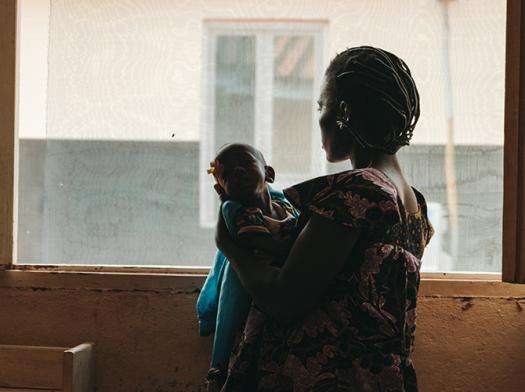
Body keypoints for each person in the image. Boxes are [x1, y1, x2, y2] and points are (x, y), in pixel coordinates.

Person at [214, 46, 434, 391]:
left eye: (322, 105)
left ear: (343, 111)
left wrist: (229, 247)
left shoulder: (358, 191)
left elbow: (284, 299)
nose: (319, 117)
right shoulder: (413, 201)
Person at [196, 144, 300, 390]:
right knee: (233, 334)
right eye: (227, 173)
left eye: (244, 162)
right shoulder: (236, 210)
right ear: (220, 189)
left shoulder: (284, 203)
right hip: (250, 288)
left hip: (278, 287)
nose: (238, 171)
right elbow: (268, 245)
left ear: (269, 173)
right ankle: (218, 370)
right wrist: (305, 247)